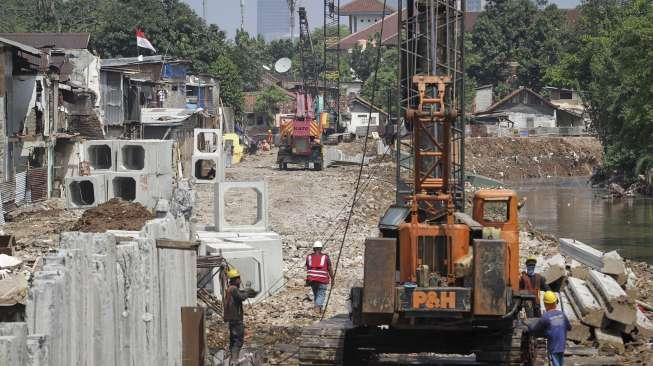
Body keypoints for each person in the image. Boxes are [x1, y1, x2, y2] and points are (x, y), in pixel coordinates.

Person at [223, 268, 258, 365]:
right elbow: (241, 297)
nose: (240, 280)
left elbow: (239, 295)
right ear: (235, 279)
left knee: (233, 341)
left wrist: (246, 292)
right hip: (236, 319)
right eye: (238, 278)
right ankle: (234, 360)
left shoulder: (231, 289)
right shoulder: (233, 289)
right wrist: (247, 292)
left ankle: (232, 360)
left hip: (232, 319)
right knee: (238, 340)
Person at [527, 291, 571, 366]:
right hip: (562, 344)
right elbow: (569, 327)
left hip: (553, 345)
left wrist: (529, 326)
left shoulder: (545, 316)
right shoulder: (562, 314)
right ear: (555, 302)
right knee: (560, 361)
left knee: (555, 362)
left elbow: (536, 329)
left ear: (545, 304)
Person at [305, 241, 334, 314]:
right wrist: (332, 278)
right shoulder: (325, 257)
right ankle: (317, 307)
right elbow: (329, 268)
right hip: (322, 279)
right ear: (321, 248)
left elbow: (308, 267)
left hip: (311, 279)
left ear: (313, 248)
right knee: (321, 294)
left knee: (316, 294)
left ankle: (319, 309)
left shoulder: (309, 257)